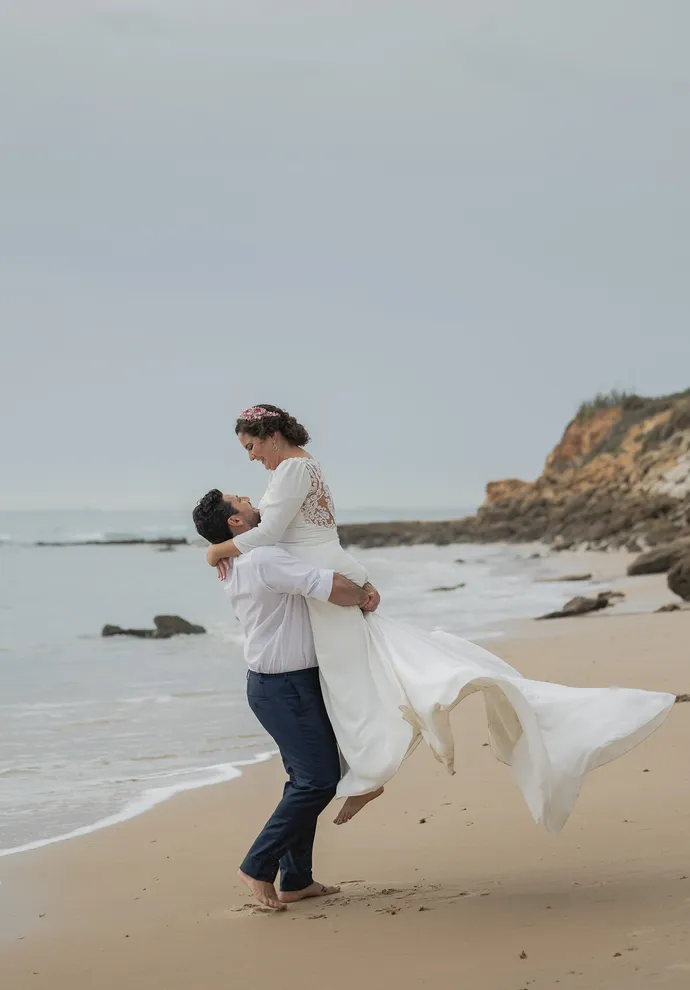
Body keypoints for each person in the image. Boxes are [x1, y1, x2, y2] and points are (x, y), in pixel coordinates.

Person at [203, 404, 676, 834]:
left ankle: (369, 776)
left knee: (351, 684)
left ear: (268, 434)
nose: (249, 457)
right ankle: (366, 774)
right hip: (331, 569)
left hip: (327, 578)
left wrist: (217, 550)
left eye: (249, 446)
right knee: (369, 675)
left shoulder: (289, 470)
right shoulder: (303, 466)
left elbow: (266, 534)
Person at [193, 489, 372, 911]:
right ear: (236, 521)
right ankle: (257, 865)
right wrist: (365, 596)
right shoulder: (261, 559)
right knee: (318, 781)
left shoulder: (242, 556)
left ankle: (297, 879)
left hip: (285, 684)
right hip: (284, 686)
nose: (250, 498)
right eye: (241, 499)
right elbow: (330, 587)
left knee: (306, 780)